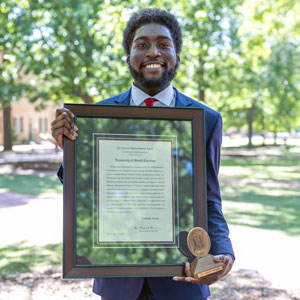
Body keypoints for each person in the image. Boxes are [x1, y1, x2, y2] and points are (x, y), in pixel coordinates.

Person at [51, 8, 234, 300]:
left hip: (182, 278)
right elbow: (85, 194)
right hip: (118, 279)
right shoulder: (94, 119)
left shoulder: (206, 120)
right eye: (141, 45)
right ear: (128, 56)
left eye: (164, 44)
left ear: (177, 55)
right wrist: (69, 149)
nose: (153, 52)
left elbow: (209, 197)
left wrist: (224, 252)